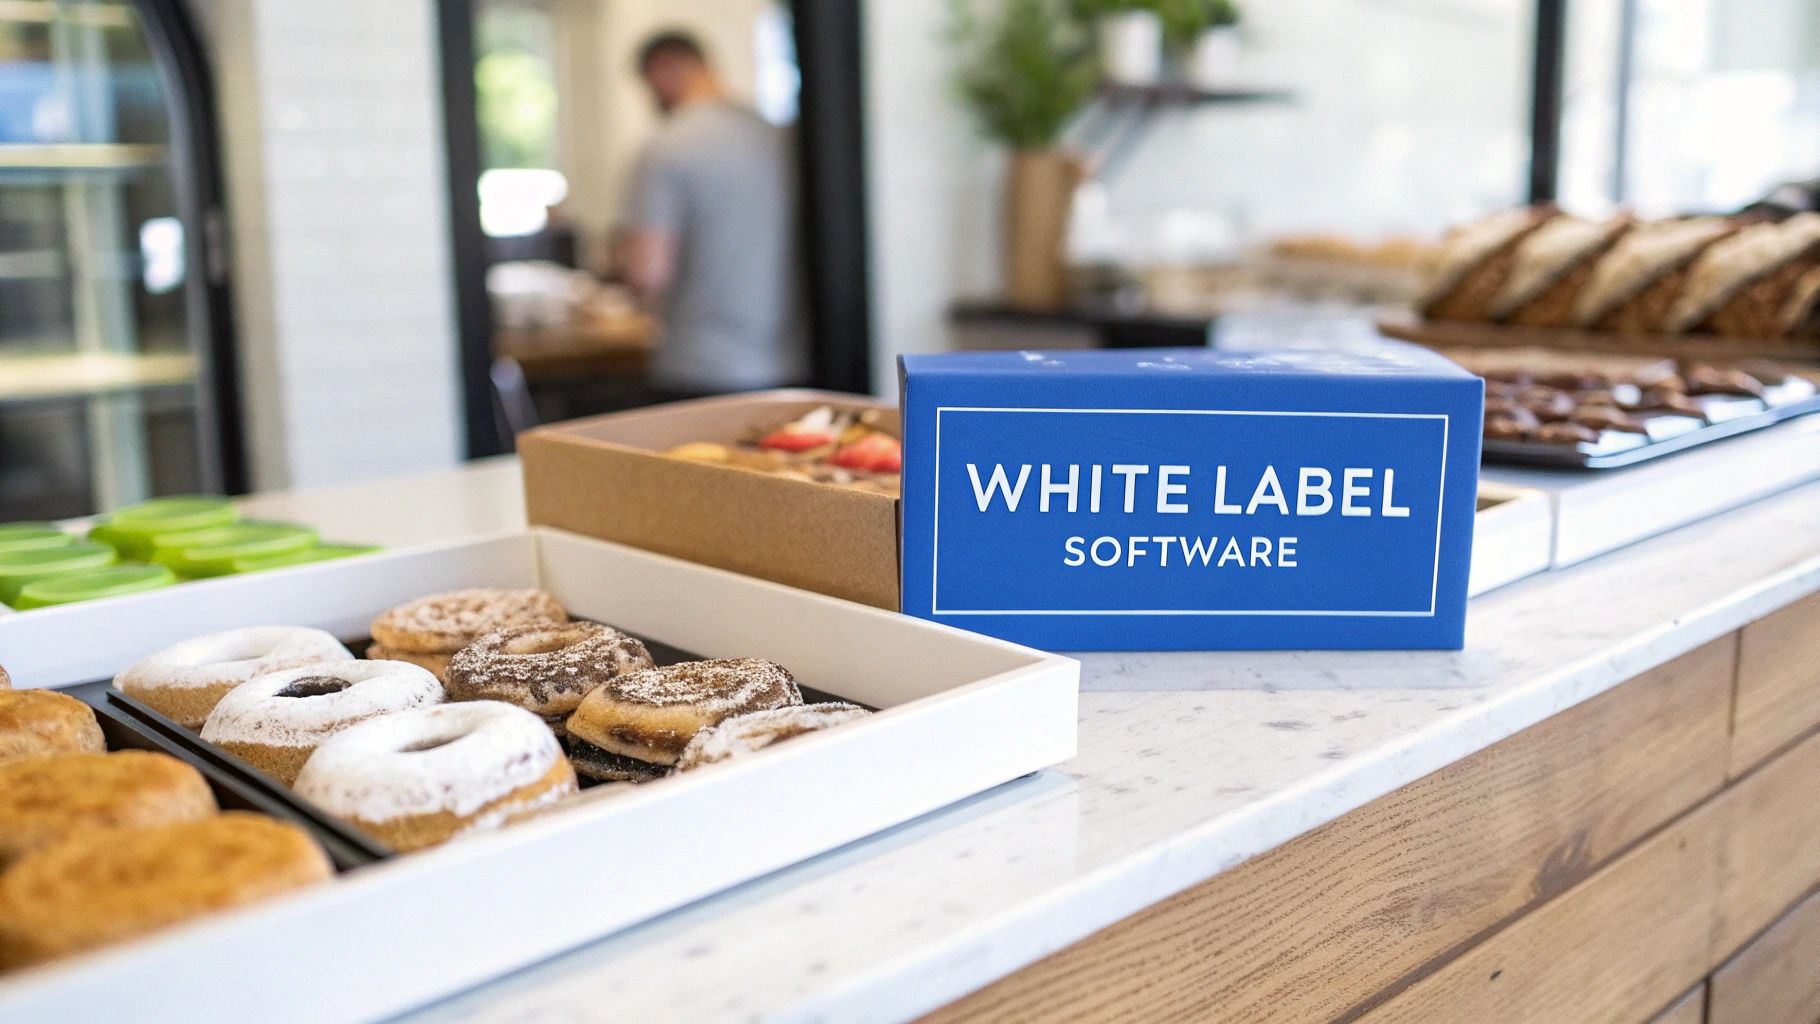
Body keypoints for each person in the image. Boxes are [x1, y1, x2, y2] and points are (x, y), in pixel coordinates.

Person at [616, 30, 807, 397]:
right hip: (790, 361)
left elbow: (649, 271)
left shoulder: (667, 144)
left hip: (700, 366)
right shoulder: (780, 136)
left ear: (665, 70)